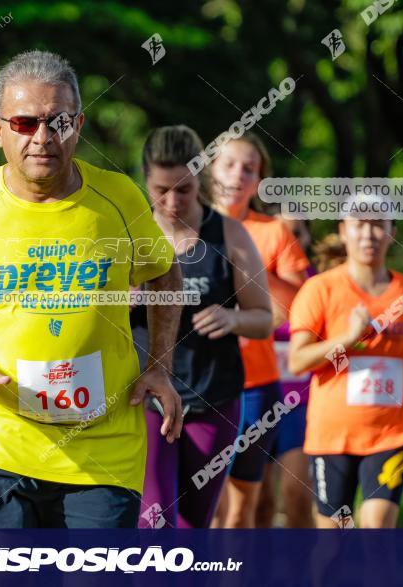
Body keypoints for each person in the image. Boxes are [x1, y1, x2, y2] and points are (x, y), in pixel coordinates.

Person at [0, 50, 184, 529]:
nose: (42, 137)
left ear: (78, 123)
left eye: (58, 121)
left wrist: (160, 364)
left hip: (105, 449)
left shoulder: (118, 198)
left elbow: (163, 272)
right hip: (1, 440)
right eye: (24, 122)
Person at [133, 125, 272, 528]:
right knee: (155, 518)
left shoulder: (229, 234)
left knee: (195, 523)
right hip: (146, 399)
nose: (172, 201)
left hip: (213, 398)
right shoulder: (129, 236)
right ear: (145, 179)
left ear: (202, 179)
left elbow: (264, 319)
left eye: (185, 189)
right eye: (161, 189)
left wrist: (233, 318)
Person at [288, 212, 403, 528]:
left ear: (391, 233)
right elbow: (298, 360)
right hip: (333, 436)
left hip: (390, 433)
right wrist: (347, 338)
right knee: (332, 545)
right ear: (344, 231)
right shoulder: (320, 289)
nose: (368, 234)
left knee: (377, 531)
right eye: (359, 225)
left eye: (378, 225)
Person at [209, 134, 311, 528]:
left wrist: (255, 276)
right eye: (230, 163)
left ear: (259, 180)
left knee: (239, 511)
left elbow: (300, 305)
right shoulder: (182, 224)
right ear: (210, 169)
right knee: (202, 508)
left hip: (255, 384)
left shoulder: (273, 233)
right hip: (195, 381)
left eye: (249, 168)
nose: (238, 174)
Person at [256, 217, 316, 528]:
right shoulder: (247, 275)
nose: (285, 240)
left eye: (293, 233)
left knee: (297, 496)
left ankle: (300, 575)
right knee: (260, 501)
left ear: (306, 237)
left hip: (301, 406)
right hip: (256, 397)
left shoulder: (317, 284)